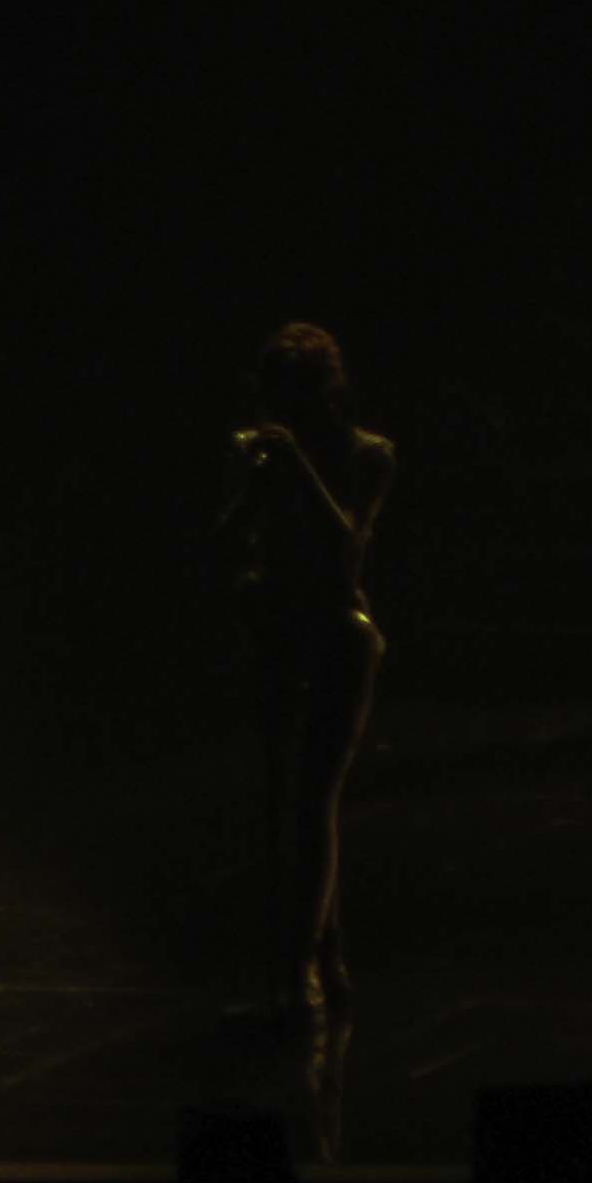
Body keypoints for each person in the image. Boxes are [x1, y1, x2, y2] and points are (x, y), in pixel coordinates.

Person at [213, 321, 392, 1014]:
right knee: (286, 800)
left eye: (301, 400)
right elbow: (221, 542)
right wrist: (253, 487)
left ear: (328, 394)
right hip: (275, 627)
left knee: (315, 797)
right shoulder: (254, 454)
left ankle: (300, 967)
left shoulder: (370, 455)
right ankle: (327, 949)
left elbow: (348, 545)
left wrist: (299, 471)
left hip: (340, 630)